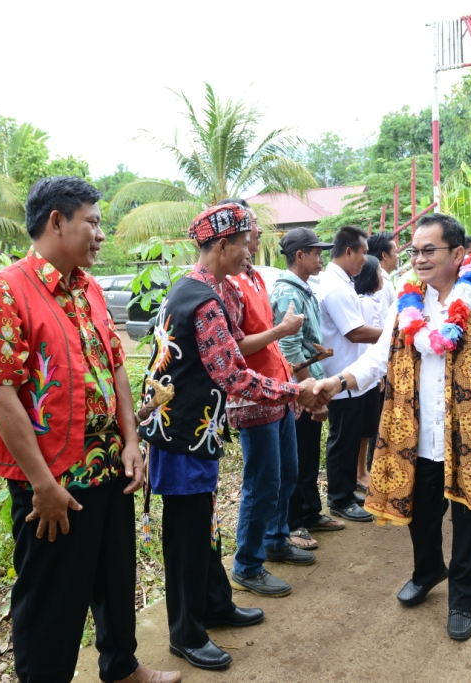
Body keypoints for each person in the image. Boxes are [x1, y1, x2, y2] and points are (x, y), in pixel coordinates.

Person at [0, 177, 178, 683]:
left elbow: (116, 367)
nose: (100, 234)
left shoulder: (89, 290)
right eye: (93, 222)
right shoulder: (4, 291)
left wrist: (131, 441)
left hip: (109, 462)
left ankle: (121, 666)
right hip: (54, 477)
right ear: (57, 221)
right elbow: (1, 395)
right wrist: (43, 485)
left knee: (114, 572)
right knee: (51, 596)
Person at [314, 213, 471, 641]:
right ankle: (429, 569)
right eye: (414, 251)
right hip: (420, 435)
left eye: (428, 250)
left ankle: (463, 599)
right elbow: (378, 358)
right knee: (421, 515)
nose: (419, 259)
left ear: (458, 253)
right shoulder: (406, 302)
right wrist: (335, 382)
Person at [138, 204, 325, 671]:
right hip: (182, 435)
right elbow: (234, 376)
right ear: (222, 246)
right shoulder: (203, 302)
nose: (250, 251)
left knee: (205, 527)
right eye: (245, 243)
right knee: (186, 537)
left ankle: (216, 603)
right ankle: (185, 633)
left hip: (190, 429)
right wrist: (296, 391)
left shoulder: (193, 286)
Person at [216, 199, 317, 596]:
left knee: (286, 473)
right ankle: (247, 563)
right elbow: (236, 348)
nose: (256, 233)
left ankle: (275, 540)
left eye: (254, 227)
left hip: (278, 390)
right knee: (261, 481)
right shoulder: (227, 285)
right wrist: (282, 330)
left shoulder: (255, 276)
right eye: (250, 228)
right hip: (253, 396)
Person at [271, 228, 345, 551]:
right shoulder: (288, 293)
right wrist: (306, 390)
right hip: (299, 389)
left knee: (309, 454)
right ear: (299, 256)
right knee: (298, 457)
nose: (320, 258)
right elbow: (288, 347)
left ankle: (311, 513)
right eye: (316, 252)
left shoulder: (304, 289)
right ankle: (294, 522)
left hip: (310, 384)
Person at [317, 226, 384, 522]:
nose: (365, 260)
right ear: (349, 252)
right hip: (340, 376)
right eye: (363, 253)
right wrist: (397, 334)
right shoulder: (335, 286)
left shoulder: (342, 282)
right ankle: (340, 498)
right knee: (342, 438)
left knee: (349, 434)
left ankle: (345, 490)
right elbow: (355, 332)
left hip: (350, 375)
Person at [354, 255, 386, 491]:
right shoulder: (364, 302)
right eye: (379, 272)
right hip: (366, 370)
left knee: (368, 427)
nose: (382, 277)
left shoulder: (373, 300)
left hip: (373, 373)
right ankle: (360, 473)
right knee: (363, 427)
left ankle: (363, 471)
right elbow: (369, 341)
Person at [367, 231, 398, 313]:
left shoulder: (377, 278)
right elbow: (383, 317)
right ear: (384, 255)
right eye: (396, 252)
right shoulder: (381, 283)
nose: (398, 256)